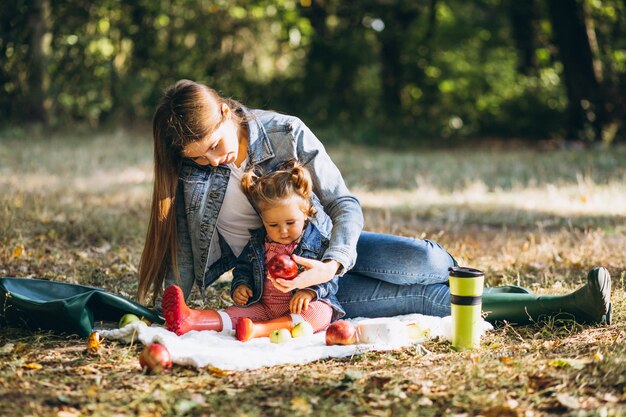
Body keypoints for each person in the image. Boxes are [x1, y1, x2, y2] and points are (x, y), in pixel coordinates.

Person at [138, 79, 612, 331]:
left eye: (215, 145)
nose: (212, 160)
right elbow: (182, 248)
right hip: (289, 293)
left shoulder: (285, 132)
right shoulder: (192, 172)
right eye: (198, 156)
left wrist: (330, 263)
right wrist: (167, 308)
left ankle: (504, 294)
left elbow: (343, 203)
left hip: (327, 253)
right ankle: (568, 305)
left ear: (225, 111)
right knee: (430, 301)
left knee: (426, 262)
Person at [162, 161, 344, 341]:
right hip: (263, 305)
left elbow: (331, 278)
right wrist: (241, 286)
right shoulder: (258, 242)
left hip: (298, 307)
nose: (283, 231)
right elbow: (243, 268)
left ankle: (258, 330)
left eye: (290, 223)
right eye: (273, 225)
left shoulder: (316, 243)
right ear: (262, 219)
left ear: (305, 213)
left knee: (320, 313)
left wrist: (311, 292)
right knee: (234, 313)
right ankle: (192, 319)